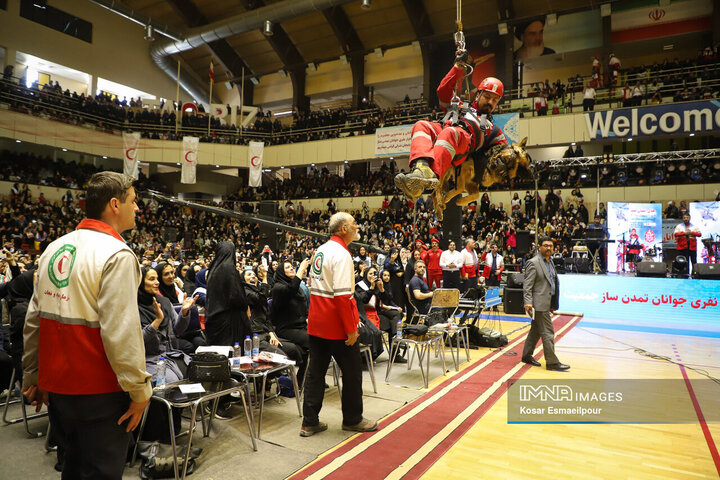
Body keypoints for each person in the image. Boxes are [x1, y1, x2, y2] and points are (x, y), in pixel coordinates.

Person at [22, 171, 152, 479]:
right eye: (133, 201)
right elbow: (121, 332)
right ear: (114, 205)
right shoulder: (117, 254)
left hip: (58, 387)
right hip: (99, 389)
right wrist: (139, 389)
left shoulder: (54, 247)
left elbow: (34, 318)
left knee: (73, 468)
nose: (138, 208)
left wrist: (33, 373)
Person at [394, 49, 514, 201]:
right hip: (444, 130)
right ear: (478, 94)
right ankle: (421, 168)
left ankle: (431, 175)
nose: (490, 102)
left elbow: (505, 152)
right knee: (421, 125)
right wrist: (457, 67)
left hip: (462, 142)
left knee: (450, 133)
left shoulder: (493, 129)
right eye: (487, 97)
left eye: (495, 100)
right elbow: (443, 91)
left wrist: (513, 160)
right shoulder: (459, 104)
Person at [301, 212, 377, 437]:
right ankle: (353, 419)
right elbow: (343, 297)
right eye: (354, 224)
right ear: (343, 229)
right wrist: (351, 328)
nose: (357, 227)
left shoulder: (322, 250)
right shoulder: (342, 254)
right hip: (336, 325)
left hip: (317, 322)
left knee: (315, 372)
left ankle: (309, 421)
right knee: (352, 373)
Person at [521, 236, 569, 371]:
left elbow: (552, 283)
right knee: (548, 333)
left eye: (551, 246)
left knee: (535, 331)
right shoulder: (533, 262)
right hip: (538, 304)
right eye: (546, 245)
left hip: (546, 303)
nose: (549, 248)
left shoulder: (550, 261)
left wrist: (553, 303)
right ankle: (552, 362)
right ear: (539, 247)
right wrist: (528, 302)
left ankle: (526, 355)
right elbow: (527, 285)